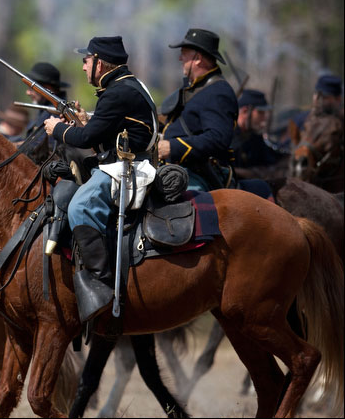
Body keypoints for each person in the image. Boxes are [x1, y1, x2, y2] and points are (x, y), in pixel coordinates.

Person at [43, 35, 157, 322]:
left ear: (101, 63)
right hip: (121, 161)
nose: (83, 67)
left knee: (79, 206)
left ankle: (100, 281)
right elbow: (103, 132)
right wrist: (85, 121)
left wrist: (57, 128)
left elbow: (86, 139)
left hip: (126, 167)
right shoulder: (124, 86)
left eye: (86, 60)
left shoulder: (118, 92)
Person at [158, 28, 238, 191]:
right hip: (181, 168)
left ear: (198, 59)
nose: (180, 58)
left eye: (184, 53)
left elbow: (217, 139)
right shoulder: (195, 88)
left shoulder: (218, 92)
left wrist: (173, 147)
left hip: (202, 173)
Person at [23, 62, 70, 163]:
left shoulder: (57, 113)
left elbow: (42, 148)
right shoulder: (46, 110)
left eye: (32, 88)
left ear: (47, 89)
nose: (28, 93)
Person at [230, 89, 285, 177]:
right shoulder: (227, 135)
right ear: (245, 111)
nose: (264, 118)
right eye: (260, 113)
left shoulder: (256, 139)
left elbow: (271, 161)